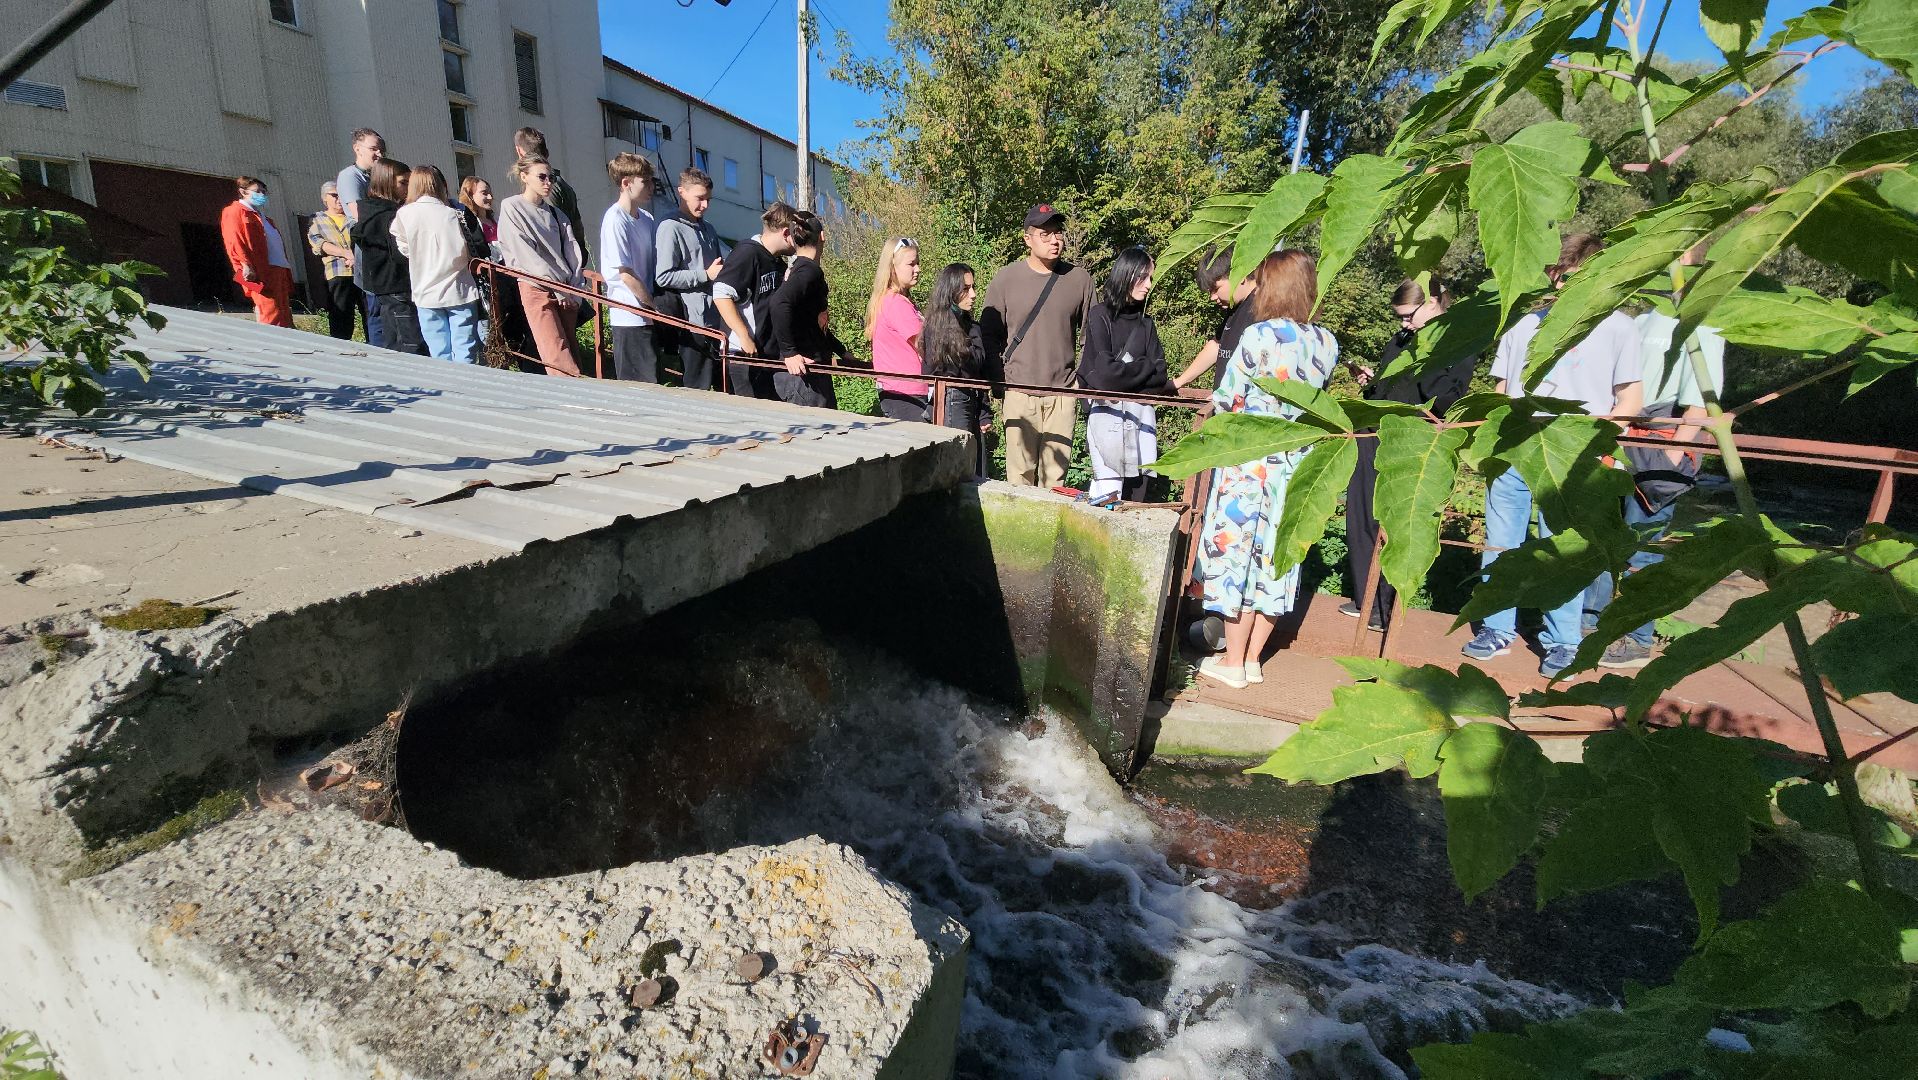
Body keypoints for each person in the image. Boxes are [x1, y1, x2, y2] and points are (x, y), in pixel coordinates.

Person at [1465, 233, 1644, 678]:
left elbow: (1631, 398)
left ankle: (1562, 641)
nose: (1562, 287)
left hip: (1576, 457)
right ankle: (1496, 627)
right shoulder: (1524, 326)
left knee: (1563, 548)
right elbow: (1503, 393)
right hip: (1516, 450)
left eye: (1571, 277)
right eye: (1556, 276)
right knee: (1501, 540)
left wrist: (1599, 444)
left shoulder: (1619, 327)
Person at [1193, 250, 1343, 690]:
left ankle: (1232, 663)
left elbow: (1228, 399)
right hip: (1295, 466)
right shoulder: (1327, 343)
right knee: (1276, 562)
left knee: (1237, 556)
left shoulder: (1259, 336)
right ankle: (1254, 659)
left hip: (1250, 464)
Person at [1584, 248, 1726, 669]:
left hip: (1660, 436)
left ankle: (1635, 637)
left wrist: (1675, 450)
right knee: (1602, 537)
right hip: (1620, 434)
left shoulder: (1705, 323)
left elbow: (1702, 399)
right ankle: (1591, 625)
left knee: (1642, 544)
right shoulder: (1638, 319)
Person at [1342, 278, 1479, 631]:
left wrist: (1428, 354)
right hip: (1374, 431)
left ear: (1433, 302)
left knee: (1396, 521)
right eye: (1400, 317)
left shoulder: (1460, 340)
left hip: (1413, 441)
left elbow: (1446, 397)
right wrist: (1371, 381)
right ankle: (1366, 599)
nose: (1403, 324)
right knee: (1361, 516)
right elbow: (1391, 387)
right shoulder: (1403, 338)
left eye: (1408, 316)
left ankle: (1386, 608)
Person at [981, 203, 1095, 487]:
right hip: (1019, 392)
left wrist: (1079, 382)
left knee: (1055, 481)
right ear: (1027, 239)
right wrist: (1001, 381)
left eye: (1058, 233)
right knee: (1019, 478)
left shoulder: (1079, 279)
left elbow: (1093, 336)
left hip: (1062, 394)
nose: (1055, 240)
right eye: (1045, 234)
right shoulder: (1006, 279)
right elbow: (988, 336)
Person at [1079, 246, 1171, 504]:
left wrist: (1129, 376)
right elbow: (1105, 376)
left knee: (1136, 498)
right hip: (1106, 416)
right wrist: (1145, 367)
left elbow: (1161, 376)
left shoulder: (1146, 324)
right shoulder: (1100, 316)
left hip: (1141, 419)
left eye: (1151, 278)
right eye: (1144, 277)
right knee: (1107, 496)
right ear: (1127, 275)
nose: (1148, 285)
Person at [497, 154, 587, 376]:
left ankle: (579, 396)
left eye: (552, 177)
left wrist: (574, 288)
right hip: (535, 286)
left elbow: (573, 252)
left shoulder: (557, 214)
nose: (548, 182)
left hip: (565, 289)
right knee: (555, 352)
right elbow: (524, 254)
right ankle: (576, 400)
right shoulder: (512, 207)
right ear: (524, 176)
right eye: (542, 177)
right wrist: (557, 287)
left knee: (571, 351)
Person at [391, 165, 482, 364]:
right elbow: (472, 249)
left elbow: (403, 248)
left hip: (425, 291)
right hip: (459, 289)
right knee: (465, 350)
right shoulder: (454, 214)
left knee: (439, 353)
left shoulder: (404, 214)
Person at [769, 210, 854, 409]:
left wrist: (841, 351)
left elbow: (814, 322)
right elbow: (779, 303)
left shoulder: (801, 269)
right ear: (822, 237)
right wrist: (789, 353)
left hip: (810, 373)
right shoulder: (808, 272)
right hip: (804, 378)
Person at [712, 202, 798, 398]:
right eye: (796, 236)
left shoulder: (775, 261)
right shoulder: (747, 253)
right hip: (743, 356)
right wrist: (743, 336)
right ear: (785, 234)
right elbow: (721, 293)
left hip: (764, 355)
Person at [655, 167, 729, 390]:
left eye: (708, 199)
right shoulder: (670, 227)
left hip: (715, 320)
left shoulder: (708, 229)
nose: (705, 205)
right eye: (700, 198)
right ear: (681, 192)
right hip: (692, 323)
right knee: (697, 388)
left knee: (721, 388)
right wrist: (705, 275)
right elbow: (663, 276)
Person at [920, 263, 993, 478]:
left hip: (967, 399)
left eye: (973, 287)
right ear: (951, 290)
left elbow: (977, 373)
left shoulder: (970, 326)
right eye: (966, 288)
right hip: (953, 399)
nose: (973, 294)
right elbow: (939, 371)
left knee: (972, 468)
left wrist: (984, 413)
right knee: (958, 469)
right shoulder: (938, 327)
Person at [349, 158, 426, 354]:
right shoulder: (387, 216)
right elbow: (400, 253)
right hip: (397, 284)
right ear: (386, 181)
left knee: (396, 339)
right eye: (403, 183)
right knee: (410, 343)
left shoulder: (373, 213)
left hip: (388, 286)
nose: (407, 189)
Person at [599, 153, 660, 382]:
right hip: (629, 316)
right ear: (626, 183)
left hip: (646, 315)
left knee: (652, 379)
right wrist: (653, 306)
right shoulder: (615, 219)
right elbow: (625, 274)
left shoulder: (646, 218)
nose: (651, 187)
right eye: (645, 181)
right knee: (636, 386)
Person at [1173, 245, 1259, 392]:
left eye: (1216, 289)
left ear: (1240, 275)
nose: (1212, 297)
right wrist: (1178, 382)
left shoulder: (1263, 310)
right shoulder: (1235, 307)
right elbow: (1217, 345)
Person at [219, 176, 294, 328]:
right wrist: (245, 264)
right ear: (243, 192)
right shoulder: (234, 211)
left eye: (264, 192)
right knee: (269, 312)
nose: (262, 195)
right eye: (257, 191)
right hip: (258, 271)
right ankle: (272, 345)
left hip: (277, 268)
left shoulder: (263, 217)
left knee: (284, 312)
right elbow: (234, 240)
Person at [865, 237, 927, 420]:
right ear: (893, 267)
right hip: (906, 394)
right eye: (911, 264)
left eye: (918, 263)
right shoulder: (896, 303)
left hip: (903, 392)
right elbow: (925, 345)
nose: (918, 269)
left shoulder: (894, 300)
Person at [336, 127, 386, 347]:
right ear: (357, 149)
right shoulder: (350, 176)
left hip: (384, 252)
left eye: (381, 150)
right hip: (370, 252)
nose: (379, 154)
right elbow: (360, 215)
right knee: (376, 312)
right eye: (374, 149)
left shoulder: (376, 176)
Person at [514, 127, 588, 263]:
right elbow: (578, 226)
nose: (546, 182)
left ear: (519, 151)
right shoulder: (562, 184)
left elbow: (551, 232)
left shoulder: (547, 188)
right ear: (546, 153)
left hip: (557, 265)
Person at [304, 182, 360, 339]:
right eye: (334, 195)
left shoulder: (354, 218)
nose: (339, 199)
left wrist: (356, 256)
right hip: (337, 272)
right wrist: (346, 254)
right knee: (341, 315)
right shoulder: (317, 218)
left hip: (361, 272)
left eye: (342, 195)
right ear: (324, 199)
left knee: (370, 313)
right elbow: (318, 243)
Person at [459, 176, 498, 247]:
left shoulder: (496, 219)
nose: (490, 197)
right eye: (484, 193)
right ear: (470, 195)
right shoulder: (467, 224)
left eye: (490, 193)